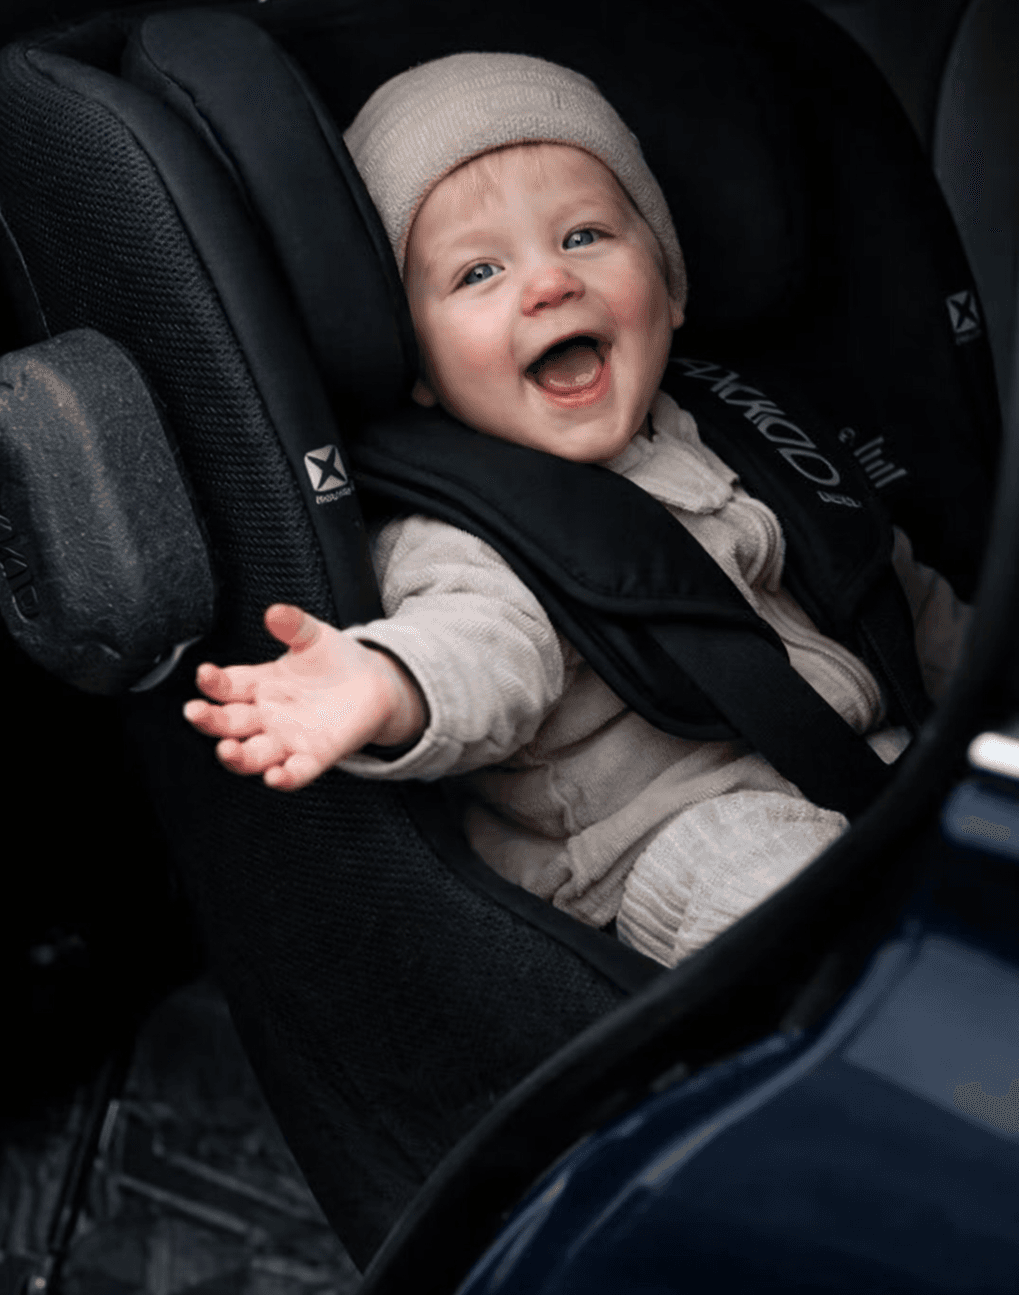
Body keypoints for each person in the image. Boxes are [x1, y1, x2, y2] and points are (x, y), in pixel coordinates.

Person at [183, 52, 972, 969]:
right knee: (813, 911)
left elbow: (894, 590)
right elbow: (480, 650)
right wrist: (384, 684)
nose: (550, 283)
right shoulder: (462, 529)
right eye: (478, 272)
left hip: (878, 760)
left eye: (584, 236)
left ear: (669, 285)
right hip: (670, 844)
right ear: (417, 361)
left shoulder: (741, 425)